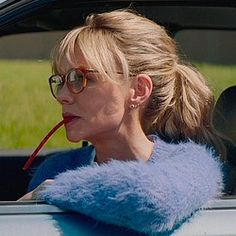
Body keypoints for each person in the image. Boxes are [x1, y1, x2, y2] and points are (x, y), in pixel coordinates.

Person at [19, 9, 224, 235]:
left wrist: (53, 189)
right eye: (61, 80)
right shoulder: (56, 167)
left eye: (80, 78)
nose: (63, 96)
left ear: (138, 90)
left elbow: (151, 201)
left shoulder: (193, 163)